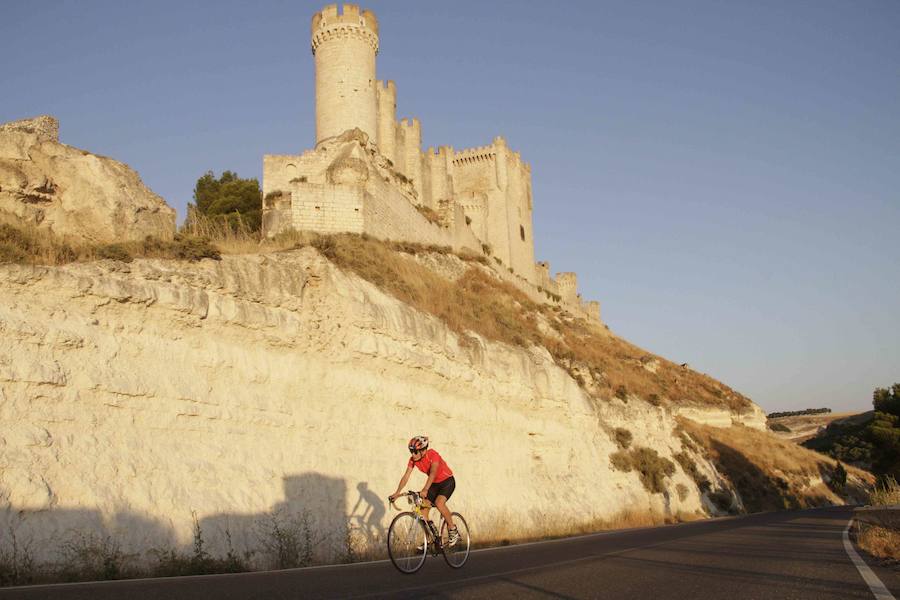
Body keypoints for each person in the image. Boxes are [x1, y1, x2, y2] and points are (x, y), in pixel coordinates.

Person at [389, 435, 460, 546]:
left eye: (415, 452)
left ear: (423, 450)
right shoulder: (413, 460)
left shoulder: (433, 455)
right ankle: (431, 539)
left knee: (439, 503)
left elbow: (433, 472)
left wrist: (425, 489)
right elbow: (406, 475)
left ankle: (453, 529)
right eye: (411, 451)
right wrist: (397, 493)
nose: (413, 454)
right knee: (423, 510)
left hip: (447, 482)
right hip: (434, 484)